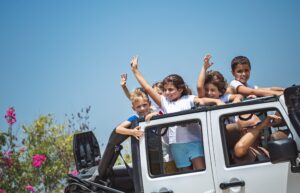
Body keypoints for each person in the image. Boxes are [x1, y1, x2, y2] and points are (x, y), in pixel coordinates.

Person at [130, 55, 224, 171]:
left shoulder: (188, 99)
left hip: (194, 141)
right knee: (185, 175)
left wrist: (216, 101)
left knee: (201, 170)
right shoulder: (164, 102)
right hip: (176, 146)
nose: (167, 93)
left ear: (180, 89)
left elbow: (202, 100)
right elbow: (148, 88)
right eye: (165, 90)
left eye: (170, 89)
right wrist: (135, 70)